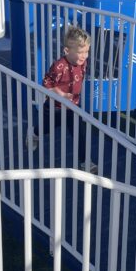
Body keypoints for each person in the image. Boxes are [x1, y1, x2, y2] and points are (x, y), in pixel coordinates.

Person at [31, 25, 97, 171]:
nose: (84, 56)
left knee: (80, 134)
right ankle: (34, 133)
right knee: (45, 128)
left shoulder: (83, 62)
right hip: (54, 108)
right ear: (67, 51)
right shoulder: (59, 66)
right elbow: (46, 83)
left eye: (87, 51)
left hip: (73, 107)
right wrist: (59, 94)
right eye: (80, 52)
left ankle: (85, 162)